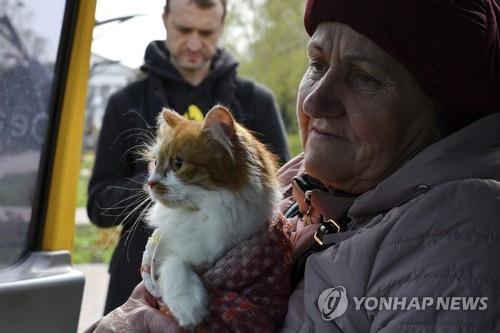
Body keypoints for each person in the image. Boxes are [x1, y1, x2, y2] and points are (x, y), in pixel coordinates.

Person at [86, 0, 500, 331]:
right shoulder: (297, 182)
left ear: (438, 103)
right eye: (317, 64)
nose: (313, 102)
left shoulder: (461, 235)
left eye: (364, 77)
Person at [87, 0, 290, 316]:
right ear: (165, 20)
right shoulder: (126, 101)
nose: (195, 43)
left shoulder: (257, 100)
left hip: (241, 286)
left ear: (222, 26)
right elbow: (97, 205)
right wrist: (159, 185)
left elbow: (283, 195)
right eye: (184, 29)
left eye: (206, 31)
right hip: (136, 278)